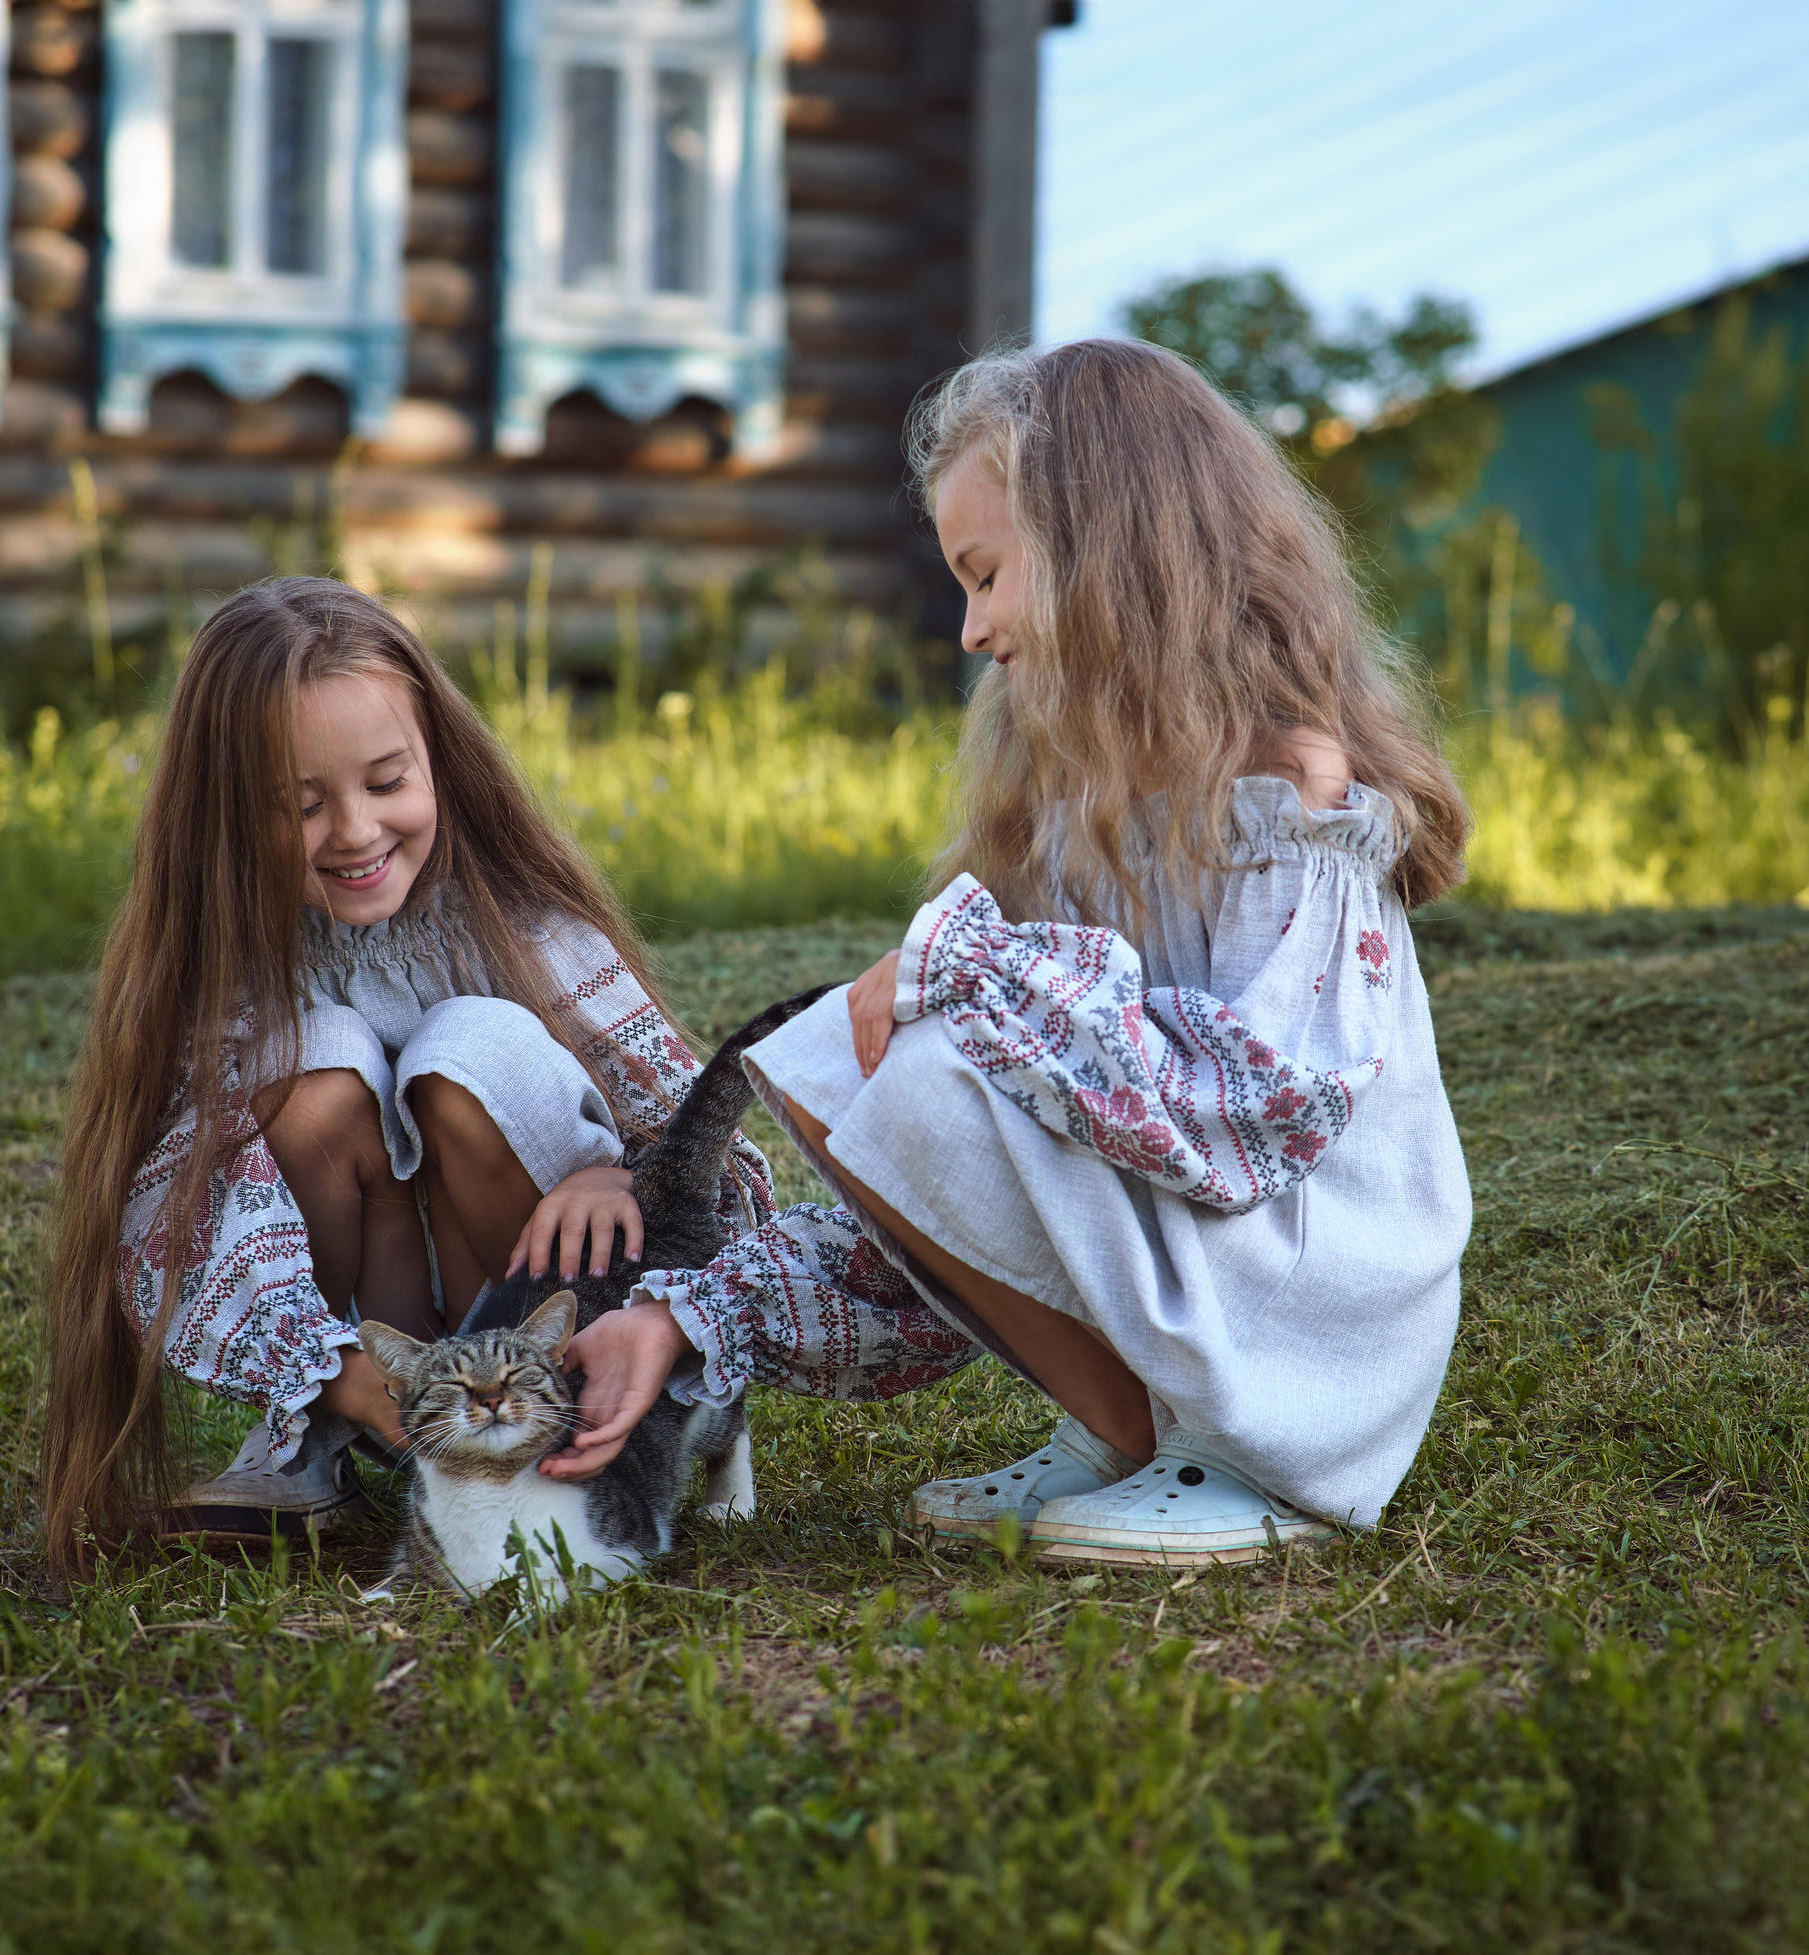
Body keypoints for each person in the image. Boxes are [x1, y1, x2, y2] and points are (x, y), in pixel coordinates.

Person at [554, 338, 1476, 1564]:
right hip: (1205, 1268)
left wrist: (975, 968)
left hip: (1316, 1317)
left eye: (989, 576)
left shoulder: (1289, 796)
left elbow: (1245, 1116)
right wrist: (684, 1319)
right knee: (855, 1051)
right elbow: (937, 1198)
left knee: (931, 1049)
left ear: (1113, 550)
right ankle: (1132, 1431)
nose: (976, 628)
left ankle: (1257, 1464)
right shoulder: (1076, 812)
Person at [38, 578, 771, 1573]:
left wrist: (615, 1176)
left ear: (439, 763)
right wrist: (329, 1367)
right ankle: (325, 1427)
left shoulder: (526, 932)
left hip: (524, 1327)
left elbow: (698, 1138)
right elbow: (180, 1215)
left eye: (386, 783)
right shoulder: (226, 981)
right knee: (311, 1059)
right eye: (300, 804)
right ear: (222, 814)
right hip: (378, 1353)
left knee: (467, 1049)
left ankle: (573, 1418)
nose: (352, 831)